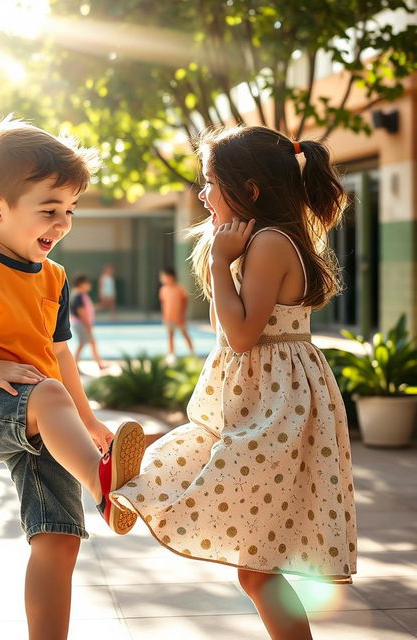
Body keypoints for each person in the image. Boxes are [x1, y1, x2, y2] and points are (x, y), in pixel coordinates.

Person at [0, 117, 146, 640]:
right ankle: (105, 487)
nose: (63, 223)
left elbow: (58, 356)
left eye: (71, 211)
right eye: (50, 210)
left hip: (41, 415)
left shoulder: (54, 278)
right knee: (47, 392)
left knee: (59, 539)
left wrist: (88, 420)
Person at [112, 126, 356, 640]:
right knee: (254, 560)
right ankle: (127, 483)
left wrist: (222, 262)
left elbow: (243, 335)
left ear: (249, 190)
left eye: (209, 182)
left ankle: (124, 484)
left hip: (275, 403)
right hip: (264, 397)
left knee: (255, 561)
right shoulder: (272, 238)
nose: (202, 194)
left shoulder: (268, 243)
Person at [70, 274, 107, 369]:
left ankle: (99, 364)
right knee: (83, 344)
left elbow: (86, 308)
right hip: (81, 324)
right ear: (81, 284)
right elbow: (81, 312)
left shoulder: (81, 295)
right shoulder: (78, 296)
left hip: (81, 324)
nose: (89, 285)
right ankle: (74, 365)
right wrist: (88, 326)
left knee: (91, 343)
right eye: (87, 283)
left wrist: (98, 306)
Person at [158, 266, 194, 363]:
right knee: (170, 335)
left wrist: (182, 315)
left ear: (171, 276)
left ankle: (191, 353)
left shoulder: (179, 289)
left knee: (185, 334)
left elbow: (184, 302)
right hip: (168, 318)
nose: (162, 278)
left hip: (179, 318)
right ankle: (171, 354)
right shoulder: (163, 290)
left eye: (164, 276)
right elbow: (163, 304)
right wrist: (164, 316)